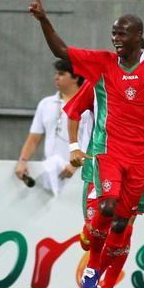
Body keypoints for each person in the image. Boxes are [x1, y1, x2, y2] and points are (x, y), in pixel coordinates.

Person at [29, 0, 144, 288]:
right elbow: (63, 50)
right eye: (113, 34)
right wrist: (43, 20)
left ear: (138, 35)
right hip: (108, 152)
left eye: (122, 33)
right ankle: (95, 267)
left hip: (140, 161)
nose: (116, 39)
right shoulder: (103, 64)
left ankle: (95, 276)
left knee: (122, 222)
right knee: (107, 208)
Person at [66, 57, 144, 288]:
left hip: (140, 165)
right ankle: (89, 235)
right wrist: (74, 146)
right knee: (102, 220)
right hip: (103, 159)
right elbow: (74, 110)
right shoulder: (101, 81)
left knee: (123, 228)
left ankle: (104, 286)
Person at [14, 59, 90, 194]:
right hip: (51, 173)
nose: (56, 77)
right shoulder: (46, 104)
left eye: (61, 74)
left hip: (80, 171)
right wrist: (22, 160)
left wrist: (76, 164)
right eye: (55, 73)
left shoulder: (89, 104)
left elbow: (93, 139)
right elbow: (33, 138)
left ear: (75, 77)